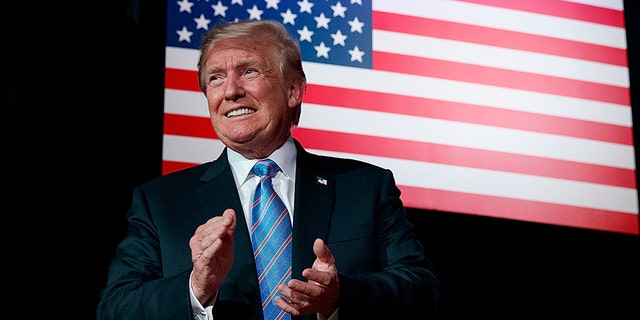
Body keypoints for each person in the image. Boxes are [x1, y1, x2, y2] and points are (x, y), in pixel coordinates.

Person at [97, 19, 440, 320]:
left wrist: (339, 295)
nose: (231, 91)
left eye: (249, 71)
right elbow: (115, 307)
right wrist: (195, 289)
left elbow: (423, 289)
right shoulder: (160, 202)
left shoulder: (365, 186)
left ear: (293, 90)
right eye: (216, 78)